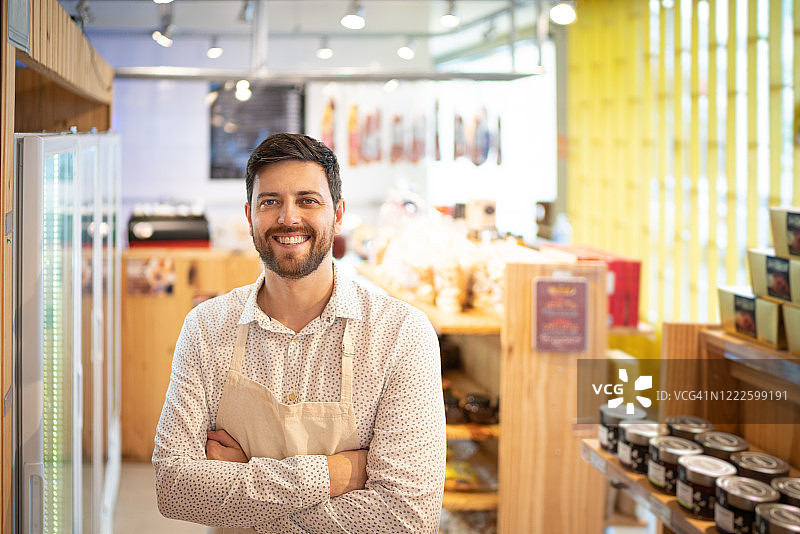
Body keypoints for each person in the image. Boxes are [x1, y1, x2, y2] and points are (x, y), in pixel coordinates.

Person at [152, 133, 446, 533]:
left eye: (307, 200)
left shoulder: (400, 335)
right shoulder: (205, 328)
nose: (288, 218)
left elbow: (406, 519)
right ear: (250, 214)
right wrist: (335, 474)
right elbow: (174, 487)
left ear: (338, 213)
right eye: (270, 201)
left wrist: (245, 489)